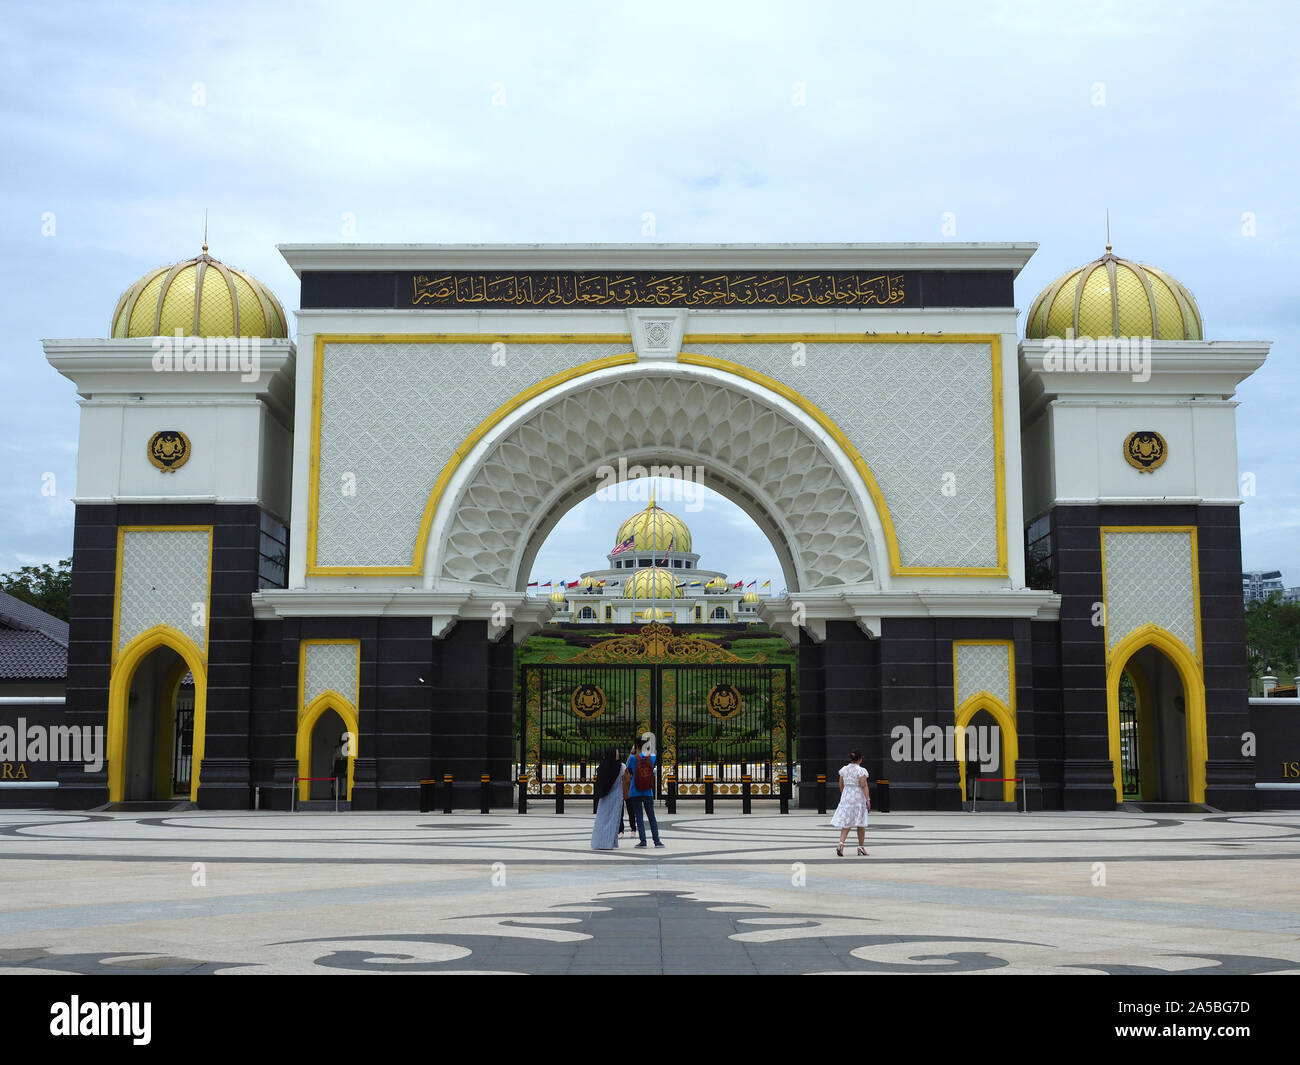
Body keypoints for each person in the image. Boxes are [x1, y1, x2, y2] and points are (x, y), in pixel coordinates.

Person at [626, 732, 663, 848]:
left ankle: (643, 841)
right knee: (651, 816)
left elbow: (626, 766)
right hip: (648, 791)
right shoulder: (652, 758)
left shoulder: (633, 758)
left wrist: (632, 752)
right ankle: (657, 841)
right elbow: (653, 753)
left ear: (636, 747)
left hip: (635, 791)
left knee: (639, 816)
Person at [831, 748, 870, 856]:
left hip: (846, 798)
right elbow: (863, 785)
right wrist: (868, 799)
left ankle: (841, 844)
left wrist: (845, 795)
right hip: (858, 798)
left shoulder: (844, 770)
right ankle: (860, 847)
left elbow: (841, 784)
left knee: (846, 822)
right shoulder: (861, 771)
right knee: (860, 823)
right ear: (860, 759)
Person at [590, 748, 625, 850]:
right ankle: (610, 842)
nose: (618, 754)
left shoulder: (602, 767)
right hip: (616, 797)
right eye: (617, 752)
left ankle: (599, 842)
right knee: (613, 821)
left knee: (601, 820)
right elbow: (625, 773)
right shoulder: (620, 767)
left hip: (604, 798)